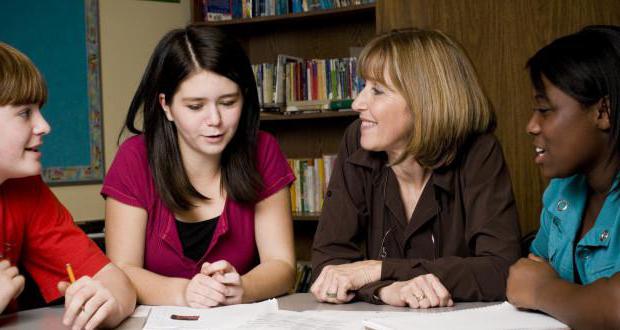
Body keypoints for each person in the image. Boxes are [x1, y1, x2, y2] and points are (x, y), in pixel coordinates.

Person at [311, 29, 522, 308]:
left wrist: (378, 270)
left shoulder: (479, 151)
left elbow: (501, 270)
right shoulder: (357, 140)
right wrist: (386, 290)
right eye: (364, 86)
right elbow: (328, 267)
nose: (357, 103)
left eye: (377, 91)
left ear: (425, 100)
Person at [102, 25, 296, 307]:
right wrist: (184, 292)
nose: (214, 120)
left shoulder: (263, 150)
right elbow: (122, 270)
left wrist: (244, 287)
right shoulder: (133, 158)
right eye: (195, 106)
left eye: (228, 103)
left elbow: (282, 265)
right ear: (166, 105)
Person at [0, 43, 135, 329]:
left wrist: (104, 303)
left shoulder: (24, 187)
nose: (44, 126)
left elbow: (117, 284)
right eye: (25, 113)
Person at [507, 25, 620, 329]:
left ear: (603, 111)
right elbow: (530, 271)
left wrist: (542, 290)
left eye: (544, 109)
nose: (532, 125)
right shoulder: (561, 193)